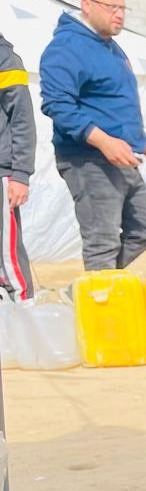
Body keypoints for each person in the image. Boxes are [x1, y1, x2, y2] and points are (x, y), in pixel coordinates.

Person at [39, 0, 146, 271]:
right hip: (88, 158)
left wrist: (142, 143)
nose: (119, 14)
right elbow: (57, 105)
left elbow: (112, 104)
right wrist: (103, 140)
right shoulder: (66, 47)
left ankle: (94, 292)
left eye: (122, 8)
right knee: (103, 242)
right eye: (111, 7)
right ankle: (98, 305)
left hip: (122, 156)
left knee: (145, 230)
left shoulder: (111, 47)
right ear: (86, 5)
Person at [0, 31, 36, 300]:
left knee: (8, 256)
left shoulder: (6, 59)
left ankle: (26, 313)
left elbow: (22, 120)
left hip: (3, 173)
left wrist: (20, 174)